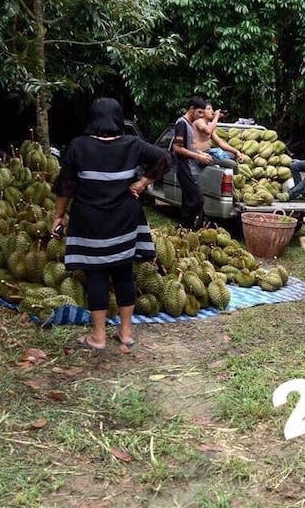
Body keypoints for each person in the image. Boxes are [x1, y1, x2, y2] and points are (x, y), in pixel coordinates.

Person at [51, 97, 171, 351]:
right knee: (123, 271)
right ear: (117, 119)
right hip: (124, 219)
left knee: (97, 275)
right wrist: (141, 183)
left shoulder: (78, 146)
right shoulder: (132, 145)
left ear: (92, 119)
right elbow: (165, 158)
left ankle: (98, 337)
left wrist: (58, 216)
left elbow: (66, 186)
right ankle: (125, 334)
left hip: (90, 221)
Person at [171, 96, 212, 229]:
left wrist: (200, 153)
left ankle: (183, 231)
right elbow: (177, 148)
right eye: (199, 112)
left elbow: (189, 147)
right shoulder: (181, 123)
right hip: (184, 168)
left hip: (191, 168)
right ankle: (185, 226)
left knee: (188, 201)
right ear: (191, 109)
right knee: (197, 200)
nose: (201, 116)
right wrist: (197, 157)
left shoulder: (189, 125)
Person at [193, 102, 248, 169]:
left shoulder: (209, 126)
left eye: (212, 109)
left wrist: (236, 151)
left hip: (209, 152)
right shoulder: (199, 121)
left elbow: (220, 143)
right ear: (202, 112)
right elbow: (208, 131)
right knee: (232, 164)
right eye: (208, 109)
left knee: (232, 155)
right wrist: (216, 117)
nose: (212, 111)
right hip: (200, 155)